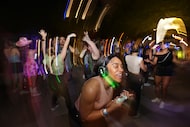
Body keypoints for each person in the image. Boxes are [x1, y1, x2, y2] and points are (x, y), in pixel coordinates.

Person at [75, 54, 134, 127]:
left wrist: (118, 100)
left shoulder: (112, 83)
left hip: (96, 114)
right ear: (103, 70)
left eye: (121, 66)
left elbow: (103, 102)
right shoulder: (91, 87)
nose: (121, 70)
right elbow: (85, 117)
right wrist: (110, 109)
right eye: (116, 66)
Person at [40, 29, 76, 112]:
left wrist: (43, 38)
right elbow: (65, 47)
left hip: (51, 78)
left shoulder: (47, 58)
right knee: (65, 94)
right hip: (58, 78)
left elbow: (43, 48)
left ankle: (54, 104)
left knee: (56, 92)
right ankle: (70, 109)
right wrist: (68, 38)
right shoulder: (59, 58)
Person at [145, 41, 187, 108]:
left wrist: (181, 63)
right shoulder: (158, 53)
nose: (161, 45)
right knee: (157, 85)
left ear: (166, 45)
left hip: (168, 71)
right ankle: (158, 98)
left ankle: (163, 100)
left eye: (162, 44)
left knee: (164, 87)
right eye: (161, 44)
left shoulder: (171, 53)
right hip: (159, 70)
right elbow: (154, 63)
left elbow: (174, 60)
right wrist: (149, 61)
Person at [125, 43, 147, 117]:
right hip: (136, 78)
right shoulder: (139, 59)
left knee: (130, 93)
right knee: (137, 95)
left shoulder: (127, 57)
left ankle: (128, 109)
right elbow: (144, 69)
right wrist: (146, 67)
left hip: (129, 76)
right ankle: (134, 113)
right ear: (138, 51)